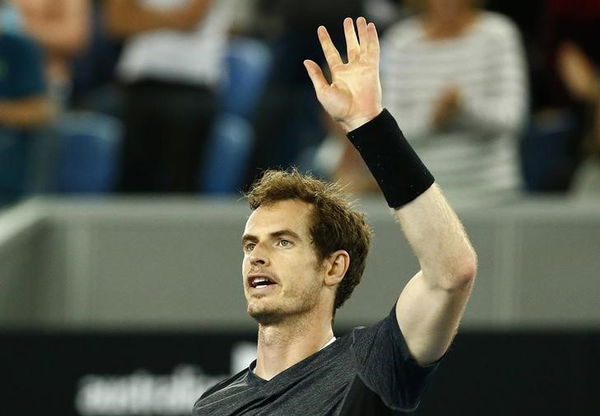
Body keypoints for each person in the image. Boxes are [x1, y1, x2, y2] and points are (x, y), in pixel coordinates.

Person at [193, 17, 477, 415]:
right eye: (250, 244)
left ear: (333, 267)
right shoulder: (214, 407)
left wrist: (370, 126)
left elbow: (452, 272)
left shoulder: (371, 363)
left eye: (284, 241)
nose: (257, 256)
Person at [380, 0, 528, 205]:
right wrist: (433, 118)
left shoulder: (499, 34)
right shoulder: (399, 42)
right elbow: (389, 128)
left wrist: (463, 110)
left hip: (493, 194)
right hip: (422, 196)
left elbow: (513, 118)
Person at [105, 0, 234, 193]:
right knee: (131, 182)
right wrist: (171, 18)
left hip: (193, 85)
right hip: (137, 84)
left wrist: (141, 15)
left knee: (178, 183)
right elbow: (117, 21)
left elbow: (190, 19)